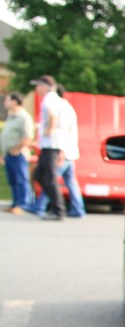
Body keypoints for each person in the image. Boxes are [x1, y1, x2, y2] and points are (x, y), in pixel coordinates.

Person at [31, 84, 86, 218]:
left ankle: (43, 207)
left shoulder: (54, 103)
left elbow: (57, 124)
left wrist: (48, 131)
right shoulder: (67, 107)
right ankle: (78, 209)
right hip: (68, 149)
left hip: (60, 149)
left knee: (49, 178)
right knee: (69, 182)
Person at [30, 74, 67, 221]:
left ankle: (58, 209)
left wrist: (49, 130)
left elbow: (52, 116)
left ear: (45, 87)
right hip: (49, 144)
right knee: (40, 175)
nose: (37, 89)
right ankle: (54, 206)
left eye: (38, 86)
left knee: (49, 178)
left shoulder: (49, 99)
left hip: (51, 145)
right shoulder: (54, 99)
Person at [1, 92, 35, 215]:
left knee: (21, 180)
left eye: (7, 100)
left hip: (18, 154)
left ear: (15, 101)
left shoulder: (23, 117)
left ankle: (23, 204)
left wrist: (17, 148)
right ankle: (15, 203)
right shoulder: (12, 117)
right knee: (13, 180)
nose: (5, 102)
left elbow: (28, 137)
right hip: (8, 154)